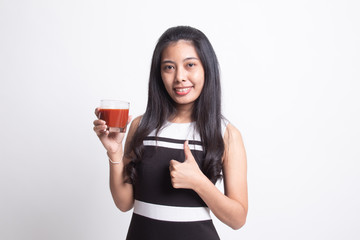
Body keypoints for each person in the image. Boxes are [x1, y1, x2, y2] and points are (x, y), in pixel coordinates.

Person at [93, 26, 248, 240]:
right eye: (169, 67)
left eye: (190, 65)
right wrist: (114, 152)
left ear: (206, 69)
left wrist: (198, 182)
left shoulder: (226, 134)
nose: (180, 77)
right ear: (159, 74)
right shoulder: (141, 126)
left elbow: (237, 219)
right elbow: (124, 203)